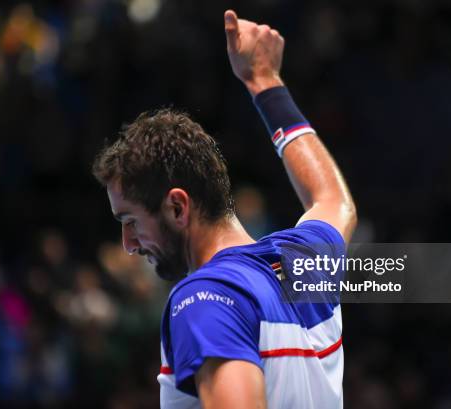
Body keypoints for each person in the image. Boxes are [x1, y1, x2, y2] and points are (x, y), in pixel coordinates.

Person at [92, 9, 356, 409]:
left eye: (131, 221)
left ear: (177, 207)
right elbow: (333, 199)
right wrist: (265, 82)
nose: (129, 244)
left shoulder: (205, 298)